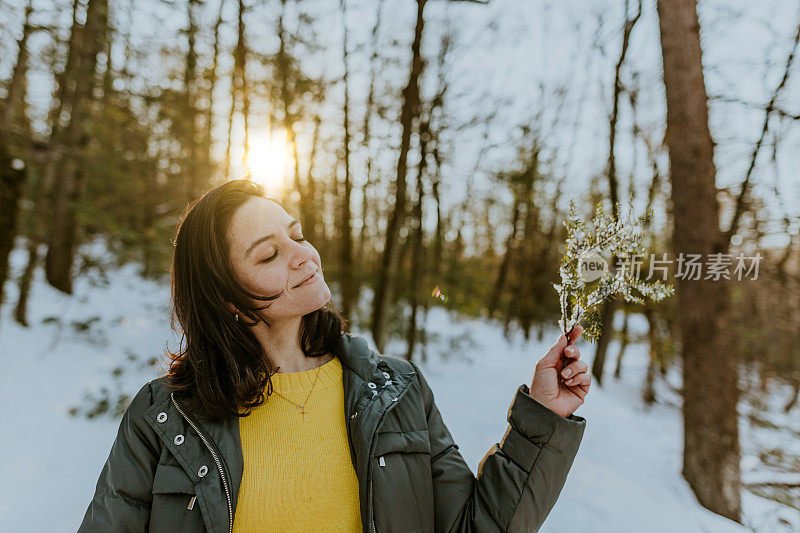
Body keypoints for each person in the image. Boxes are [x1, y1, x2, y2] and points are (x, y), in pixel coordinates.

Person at [78, 179, 590, 533]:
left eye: (296, 235)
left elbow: (471, 527)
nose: (304, 255)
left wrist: (542, 420)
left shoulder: (396, 392)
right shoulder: (165, 419)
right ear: (229, 301)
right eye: (269, 255)